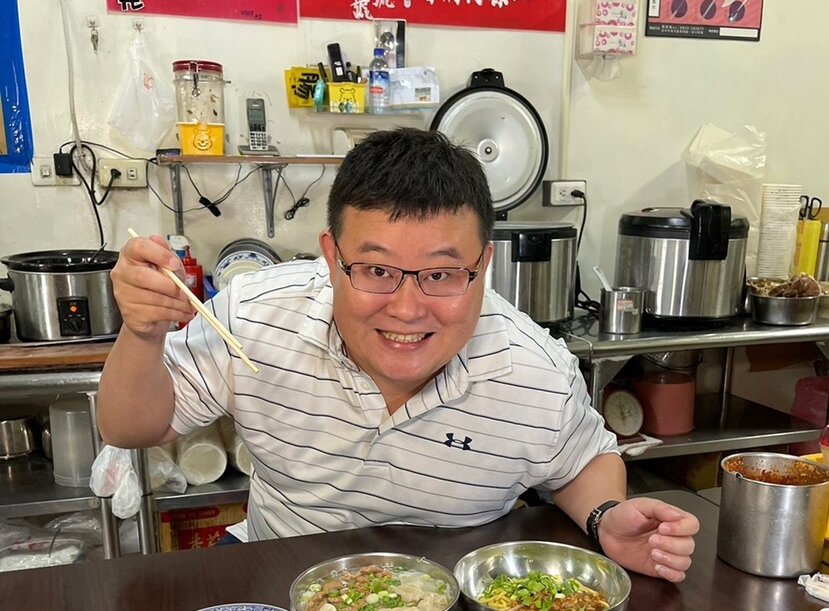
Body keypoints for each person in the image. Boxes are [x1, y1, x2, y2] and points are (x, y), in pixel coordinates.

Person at [98, 127, 698, 582]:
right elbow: (130, 427)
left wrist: (606, 520)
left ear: (483, 267)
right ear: (331, 257)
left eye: (442, 273)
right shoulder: (254, 314)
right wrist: (143, 334)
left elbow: (583, 463)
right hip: (283, 572)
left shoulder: (532, 368)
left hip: (447, 597)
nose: (408, 310)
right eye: (377, 268)